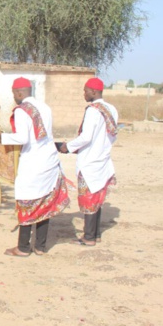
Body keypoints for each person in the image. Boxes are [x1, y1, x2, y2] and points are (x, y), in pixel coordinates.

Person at [0, 77, 70, 256]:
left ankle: (23, 247)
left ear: (19, 92)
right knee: (44, 202)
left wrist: (1, 137)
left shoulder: (21, 111)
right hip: (49, 161)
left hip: (33, 163)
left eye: (14, 94)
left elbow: (22, 138)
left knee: (25, 200)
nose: (14, 98)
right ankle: (40, 246)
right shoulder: (45, 108)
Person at [58, 77, 118, 246]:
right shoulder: (111, 109)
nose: (83, 94)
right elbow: (112, 135)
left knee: (89, 198)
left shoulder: (93, 110)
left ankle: (89, 237)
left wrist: (67, 146)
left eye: (85, 91)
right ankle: (96, 234)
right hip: (103, 159)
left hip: (90, 161)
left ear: (93, 91)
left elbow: (86, 136)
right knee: (98, 196)